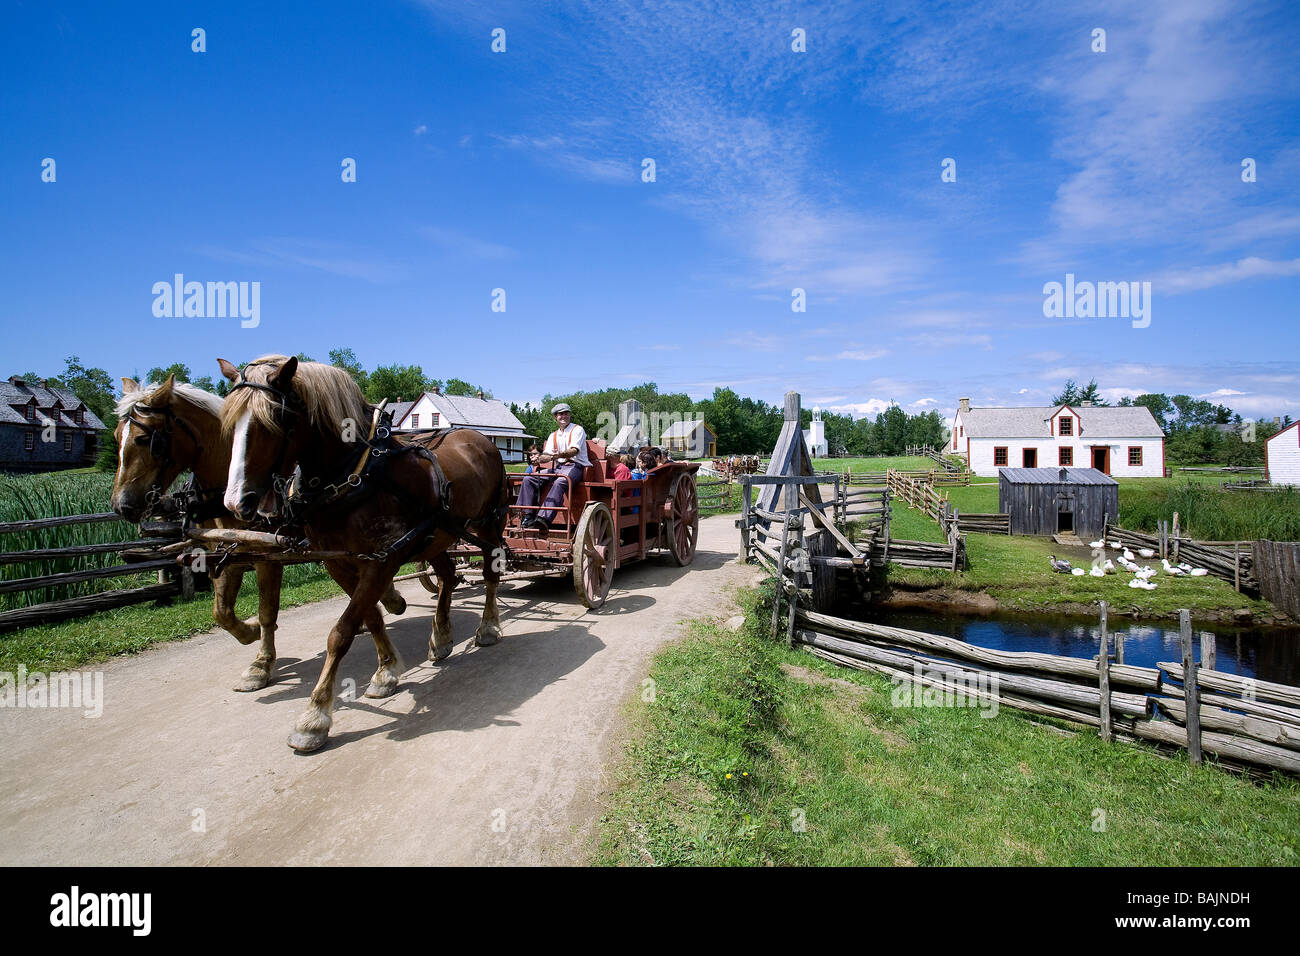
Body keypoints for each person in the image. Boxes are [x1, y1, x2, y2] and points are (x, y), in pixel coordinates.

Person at [518, 404, 590, 533]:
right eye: (560, 414)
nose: (563, 416)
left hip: (575, 466)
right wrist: (538, 458)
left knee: (560, 481)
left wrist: (560, 455)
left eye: (566, 413)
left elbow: (574, 451)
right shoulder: (553, 435)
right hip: (559, 467)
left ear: (569, 415)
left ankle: (543, 519)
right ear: (555, 417)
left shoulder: (578, 430)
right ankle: (527, 515)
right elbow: (547, 456)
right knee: (529, 478)